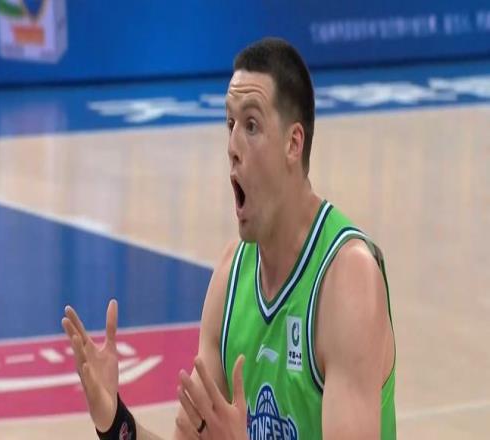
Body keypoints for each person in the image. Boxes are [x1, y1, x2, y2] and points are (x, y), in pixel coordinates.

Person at [62, 37, 396, 440]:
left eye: (251, 125)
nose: (232, 146)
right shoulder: (229, 278)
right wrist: (115, 421)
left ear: (294, 144)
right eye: (230, 124)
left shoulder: (348, 280)